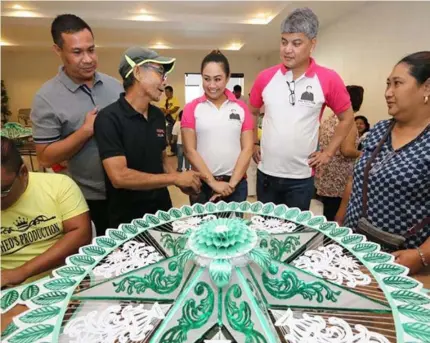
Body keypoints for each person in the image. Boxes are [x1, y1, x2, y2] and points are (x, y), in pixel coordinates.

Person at [249, 7, 354, 210]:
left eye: (296, 43)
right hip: (266, 175)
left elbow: (347, 118)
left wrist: (328, 153)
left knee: (293, 236)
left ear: (312, 44)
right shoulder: (265, 77)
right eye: (284, 41)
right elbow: (252, 111)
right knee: (265, 230)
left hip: (300, 179)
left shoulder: (328, 78)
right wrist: (253, 142)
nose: (288, 49)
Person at [336, 51, 430, 275]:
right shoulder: (379, 130)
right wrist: (338, 222)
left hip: (401, 260)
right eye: (388, 84)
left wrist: (422, 255)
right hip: (354, 246)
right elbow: (355, 180)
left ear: (426, 88)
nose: (388, 93)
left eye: (397, 84)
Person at [30, 14, 123, 236]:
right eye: (77, 52)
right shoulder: (46, 98)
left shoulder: (115, 87)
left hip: (126, 192)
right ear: (58, 50)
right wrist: (85, 132)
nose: (88, 59)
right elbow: (44, 157)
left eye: (91, 49)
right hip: (84, 199)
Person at [94, 47, 202, 228]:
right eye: (160, 71)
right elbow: (119, 176)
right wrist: (173, 179)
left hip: (161, 211)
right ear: (137, 72)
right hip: (127, 219)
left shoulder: (158, 115)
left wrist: (178, 178)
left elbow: (161, 158)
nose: (164, 80)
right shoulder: (109, 118)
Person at [1, 137, 91, 287]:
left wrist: (21, 272)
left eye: (2, 191)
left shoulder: (58, 186)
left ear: (23, 173)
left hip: (63, 279)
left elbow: (81, 234)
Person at [182, 50, 254, 204]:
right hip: (202, 185)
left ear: (228, 78)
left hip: (235, 185)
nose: (212, 85)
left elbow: (247, 149)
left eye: (218, 79)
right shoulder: (191, 108)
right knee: (203, 228)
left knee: (234, 228)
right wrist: (213, 183)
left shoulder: (241, 107)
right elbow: (189, 150)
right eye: (207, 79)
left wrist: (231, 184)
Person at [315, 85, 362, 221]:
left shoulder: (331, 118)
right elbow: (346, 150)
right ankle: (331, 241)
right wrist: (363, 154)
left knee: (328, 213)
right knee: (336, 217)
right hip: (338, 179)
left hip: (326, 173)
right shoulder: (349, 122)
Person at [162, 85, 180, 156]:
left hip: (173, 121)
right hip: (167, 122)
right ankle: (173, 150)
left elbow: (176, 108)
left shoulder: (175, 99)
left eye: (168, 92)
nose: (166, 93)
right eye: (165, 92)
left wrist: (168, 112)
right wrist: (165, 111)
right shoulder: (164, 100)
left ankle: (175, 151)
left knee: (174, 136)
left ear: (172, 92)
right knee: (169, 136)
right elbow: (161, 108)